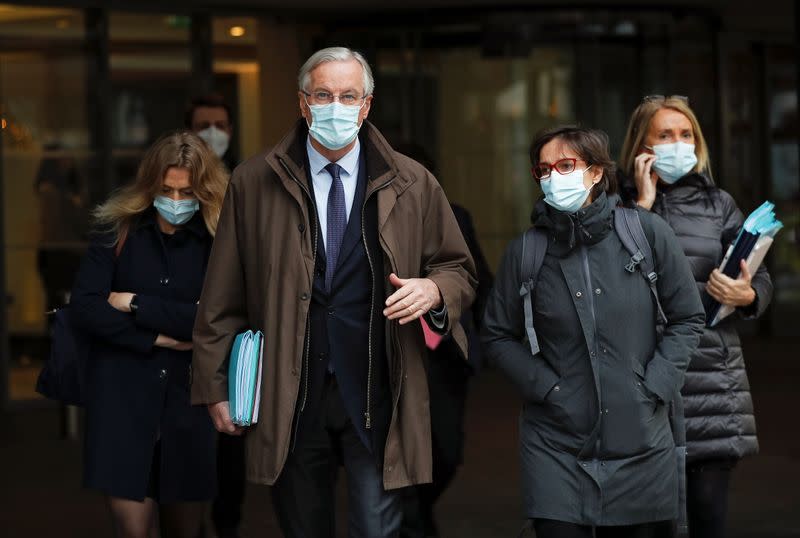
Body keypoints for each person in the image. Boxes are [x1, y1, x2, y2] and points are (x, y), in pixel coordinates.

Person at [190, 46, 477, 538]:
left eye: (349, 96)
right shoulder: (254, 181)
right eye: (324, 94)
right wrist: (214, 384)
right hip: (288, 392)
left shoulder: (412, 182)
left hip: (377, 387)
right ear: (303, 103)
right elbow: (222, 295)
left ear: (367, 106)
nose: (336, 106)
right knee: (303, 526)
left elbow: (458, 268)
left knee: (377, 527)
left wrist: (432, 290)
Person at [482, 125, 705, 538]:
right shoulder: (526, 251)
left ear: (597, 172)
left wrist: (654, 385)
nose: (554, 176)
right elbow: (496, 335)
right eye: (544, 170)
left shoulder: (647, 233)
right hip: (555, 444)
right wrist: (548, 388)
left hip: (641, 440)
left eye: (566, 165)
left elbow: (688, 317)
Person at [618, 95, 773, 538]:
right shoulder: (615, 206)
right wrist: (642, 207)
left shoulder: (719, 204)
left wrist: (747, 294)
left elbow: (761, 280)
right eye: (665, 135)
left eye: (686, 135)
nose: (678, 144)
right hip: (643, 381)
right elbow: (606, 279)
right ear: (640, 145)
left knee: (707, 512)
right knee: (650, 521)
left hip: (711, 381)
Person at [70, 131, 229, 538]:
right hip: (121, 399)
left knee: (185, 529)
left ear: (204, 190)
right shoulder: (116, 229)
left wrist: (135, 303)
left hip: (188, 402)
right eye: (167, 190)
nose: (175, 202)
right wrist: (158, 338)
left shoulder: (219, 240)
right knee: (133, 530)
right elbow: (87, 309)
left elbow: (213, 318)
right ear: (150, 185)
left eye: (187, 192)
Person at [393, 143, 494, 538]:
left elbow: (480, 281)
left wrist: (483, 341)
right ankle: (413, 520)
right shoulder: (366, 219)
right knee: (403, 449)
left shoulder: (456, 217)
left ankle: (419, 509)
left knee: (447, 451)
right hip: (397, 354)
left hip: (444, 356)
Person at [186, 93, 245, 538]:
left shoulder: (246, 182)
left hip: (229, 345)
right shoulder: (173, 189)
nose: (213, 133)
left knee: (229, 453)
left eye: (221, 124)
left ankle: (226, 526)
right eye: (204, 124)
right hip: (182, 344)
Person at [185, 93, 237, 172]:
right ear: (189, 132)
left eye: (220, 126)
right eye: (203, 126)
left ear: (230, 131)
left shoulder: (243, 175)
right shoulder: (178, 176)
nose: (212, 134)